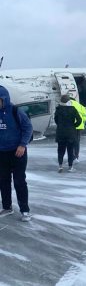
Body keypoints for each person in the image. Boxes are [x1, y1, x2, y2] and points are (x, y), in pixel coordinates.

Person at [0, 85, 33, 221]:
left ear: (4, 99)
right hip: (2, 153)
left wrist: (22, 145)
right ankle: (7, 207)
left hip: (17, 152)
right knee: (3, 181)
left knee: (19, 181)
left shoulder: (15, 111)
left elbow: (28, 128)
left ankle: (25, 210)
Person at [55, 94, 82, 173]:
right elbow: (79, 120)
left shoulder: (58, 109)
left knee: (60, 150)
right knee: (70, 150)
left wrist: (60, 125)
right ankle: (70, 167)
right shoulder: (73, 109)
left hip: (60, 132)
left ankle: (60, 166)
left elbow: (56, 119)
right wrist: (74, 126)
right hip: (71, 132)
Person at [69, 97, 86, 163]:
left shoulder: (69, 105)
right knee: (77, 142)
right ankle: (76, 156)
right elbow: (85, 117)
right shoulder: (81, 106)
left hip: (71, 126)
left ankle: (72, 157)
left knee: (70, 142)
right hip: (79, 126)